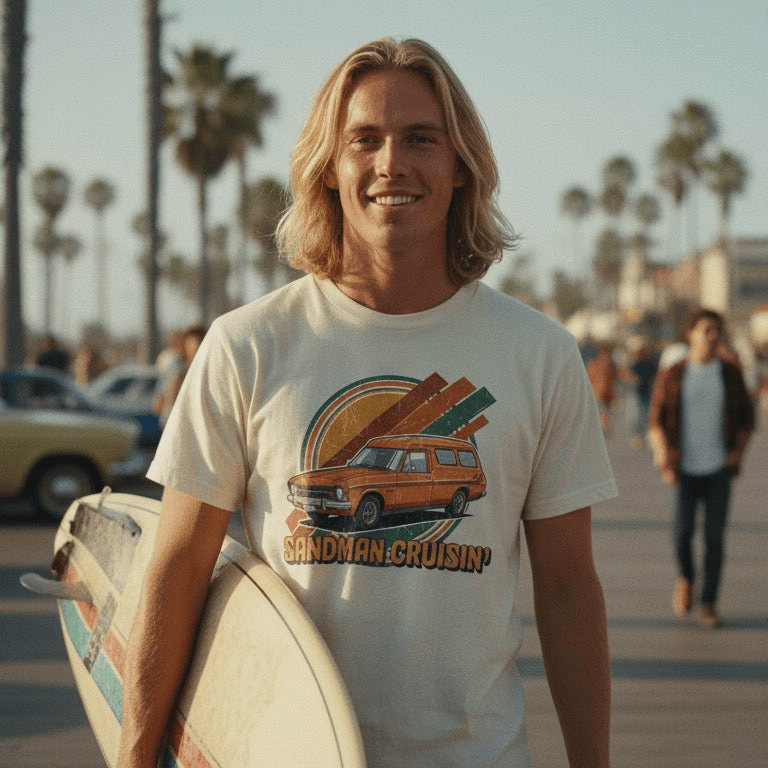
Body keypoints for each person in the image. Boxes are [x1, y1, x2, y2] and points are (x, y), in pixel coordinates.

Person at [118, 38, 616, 768]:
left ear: (460, 169)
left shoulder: (538, 355)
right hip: (277, 752)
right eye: (365, 141)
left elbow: (570, 588)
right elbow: (178, 568)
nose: (392, 164)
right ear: (329, 169)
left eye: (421, 139)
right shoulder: (246, 345)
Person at [648, 308, 754, 629]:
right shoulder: (674, 373)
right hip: (683, 469)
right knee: (680, 535)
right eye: (706, 329)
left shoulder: (730, 373)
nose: (712, 336)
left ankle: (708, 603)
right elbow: (655, 420)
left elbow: (748, 421)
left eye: (716, 330)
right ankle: (686, 578)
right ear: (690, 333)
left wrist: (738, 453)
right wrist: (662, 455)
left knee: (714, 539)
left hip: (718, 469)